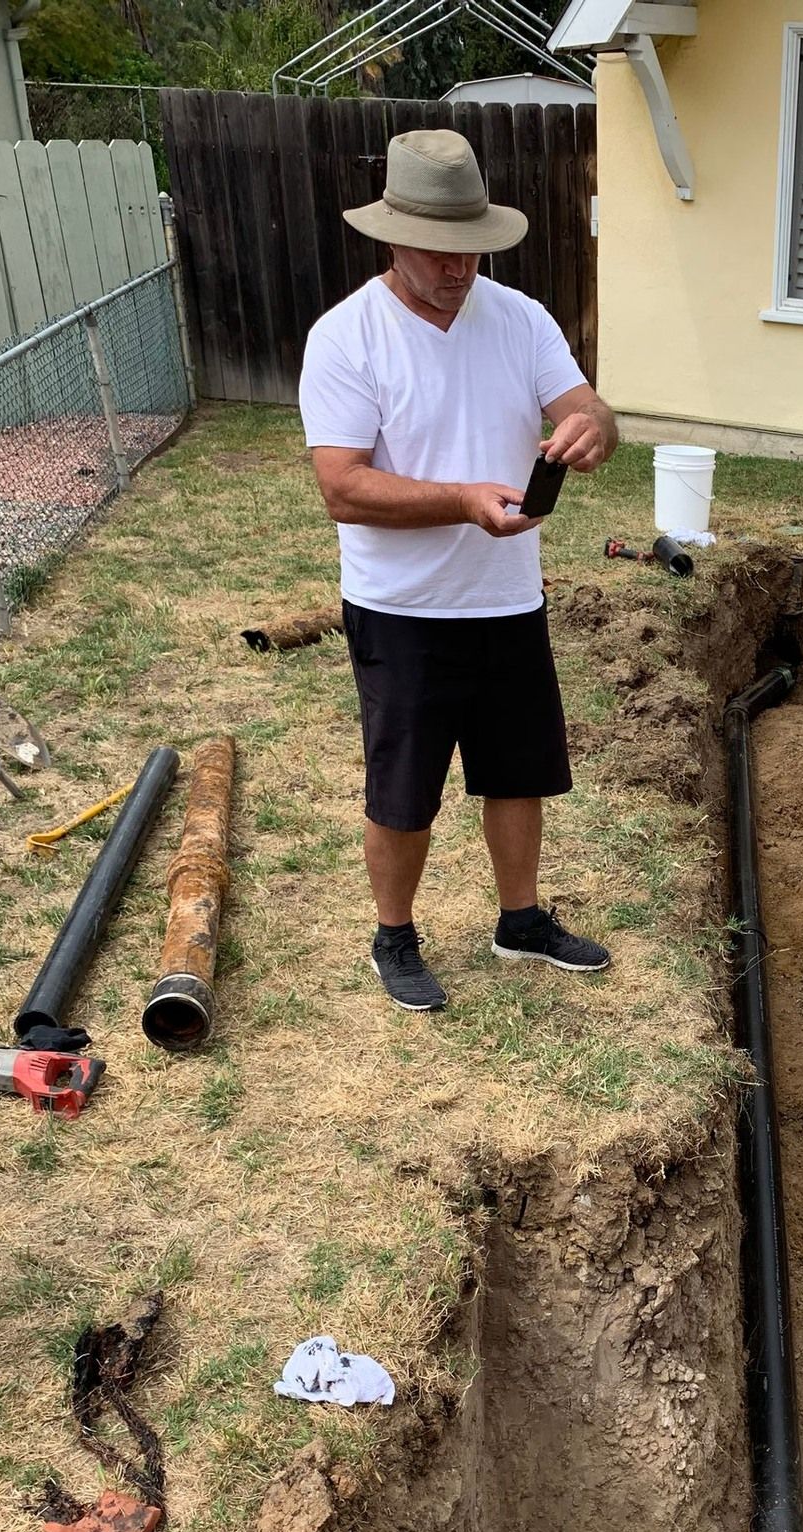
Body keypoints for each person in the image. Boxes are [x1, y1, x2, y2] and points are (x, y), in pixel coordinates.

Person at [298, 127, 619, 1012]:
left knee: (519, 771)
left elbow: (582, 401)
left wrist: (594, 424)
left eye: (471, 248)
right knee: (404, 787)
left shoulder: (520, 320)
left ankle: (520, 922)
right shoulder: (347, 339)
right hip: (402, 606)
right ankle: (393, 938)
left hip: (508, 598)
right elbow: (343, 486)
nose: (457, 267)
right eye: (439, 250)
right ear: (392, 237)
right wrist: (463, 499)